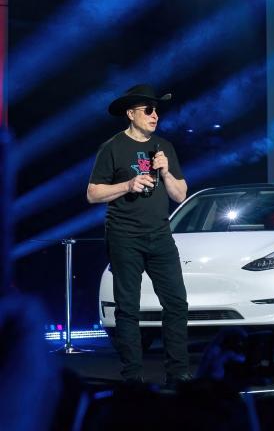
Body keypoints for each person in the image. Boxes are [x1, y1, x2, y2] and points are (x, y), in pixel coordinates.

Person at [86, 84, 190, 385]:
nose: (154, 115)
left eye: (156, 110)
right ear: (131, 114)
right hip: (124, 235)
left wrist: (166, 171)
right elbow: (92, 194)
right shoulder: (112, 148)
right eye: (148, 109)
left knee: (176, 303)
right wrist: (128, 185)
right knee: (128, 307)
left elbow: (181, 194)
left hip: (160, 236)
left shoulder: (164, 147)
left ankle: (178, 373)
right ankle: (132, 376)